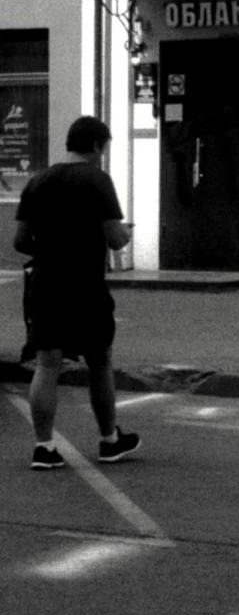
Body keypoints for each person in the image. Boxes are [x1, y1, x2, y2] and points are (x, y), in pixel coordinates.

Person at [14, 115, 138, 473]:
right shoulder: (97, 180)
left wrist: (50, 252)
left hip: (46, 284)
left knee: (47, 364)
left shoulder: (38, 181)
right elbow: (114, 238)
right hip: (86, 286)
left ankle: (44, 447)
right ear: (97, 146)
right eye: (104, 149)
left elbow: (20, 240)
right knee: (99, 362)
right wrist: (125, 236)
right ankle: (109, 441)